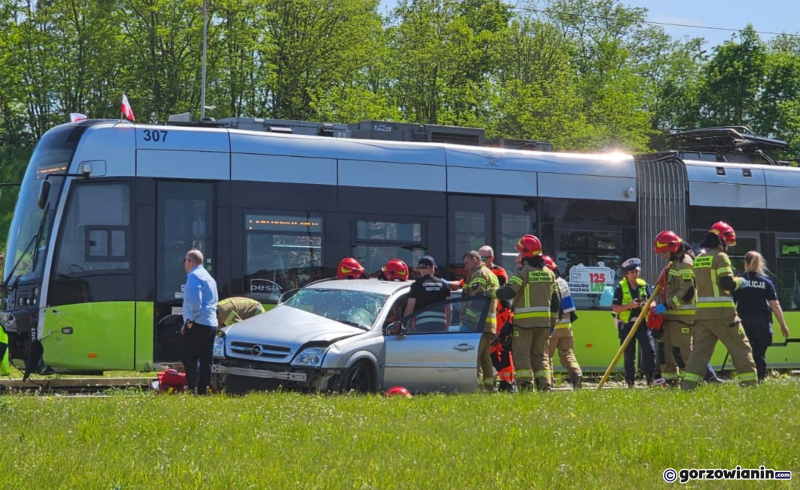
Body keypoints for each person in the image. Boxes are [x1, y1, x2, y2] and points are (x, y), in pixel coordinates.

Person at [681, 222, 758, 389]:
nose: (727, 247)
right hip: (723, 314)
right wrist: (741, 282)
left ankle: (687, 387)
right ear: (721, 240)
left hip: (702, 315)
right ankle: (750, 384)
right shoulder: (721, 257)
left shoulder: (699, 258)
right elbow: (727, 283)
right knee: (740, 346)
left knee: (699, 352)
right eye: (727, 243)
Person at [489, 235, 559, 391]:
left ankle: (525, 387)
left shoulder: (523, 272)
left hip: (524, 324)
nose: (518, 255)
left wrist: (491, 292)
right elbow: (556, 301)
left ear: (526, 254)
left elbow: (508, 292)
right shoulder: (549, 273)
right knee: (540, 356)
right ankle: (545, 386)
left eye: (520, 251)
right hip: (544, 324)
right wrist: (552, 322)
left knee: (522, 356)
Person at [733, 251, 791, 382]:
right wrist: (783, 325)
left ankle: (747, 380)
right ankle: (760, 379)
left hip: (744, 324)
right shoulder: (766, 282)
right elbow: (775, 305)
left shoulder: (739, 282)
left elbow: (732, 303)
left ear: (745, 264)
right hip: (762, 325)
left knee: (747, 354)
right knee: (759, 355)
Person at [652, 230, 696, 386]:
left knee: (681, 352)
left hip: (682, 318)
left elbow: (688, 291)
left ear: (672, 248)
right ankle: (670, 384)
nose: (663, 255)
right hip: (669, 317)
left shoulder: (685, 262)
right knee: (665, 352)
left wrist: (667, 304)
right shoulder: (674, 263)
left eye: (664, 252)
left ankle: (690, 385)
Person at [612, 258, 658, 387]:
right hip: (627, 324)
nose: (635, 274)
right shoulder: (620, 287)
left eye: (637, 271)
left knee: (649, 350)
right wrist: (630, 305)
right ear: (626, 273)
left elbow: (653, 302)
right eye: (632, 272)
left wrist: (646, 305)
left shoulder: (644, 285)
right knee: (629, 355)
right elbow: (615, 307)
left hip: (643, 323)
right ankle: (630, 382)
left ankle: (650, 380)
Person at [182, 249, 219, 395]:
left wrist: (189, 320)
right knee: (206, 359)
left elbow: (194, 301)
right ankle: (203, 390)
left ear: (189, 261)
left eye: (185, 261)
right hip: (211, 323)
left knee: (189, 358)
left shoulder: (193, 276)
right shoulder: (209, 277)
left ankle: (192, 389)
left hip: (198, 323)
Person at [542, 255, 583, 389]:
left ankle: (548, 384)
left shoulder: (545, 283)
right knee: (567, 353)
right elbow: (570, 308)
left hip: (552, 327)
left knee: (546, 357)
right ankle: (576, 374)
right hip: (566, 327)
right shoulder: (563, 282)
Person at [462, 250, 499, 391]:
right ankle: (489, 388)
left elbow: (478, 300)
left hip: (479, 323)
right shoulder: (491, 274)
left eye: (467, 263)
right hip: (489, 323)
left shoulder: (479, 274)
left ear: (475, 261)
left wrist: (469, 322)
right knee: (485, 357)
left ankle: (477, 388)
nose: (465, 267)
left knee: (474, 356)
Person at [480, 246, 514, 391]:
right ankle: (502, 378)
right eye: (479, 258)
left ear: (491, 258)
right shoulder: (478, 273)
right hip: (491, 319)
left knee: (504, 351)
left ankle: (509, 382)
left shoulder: (499, 272)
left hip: (502, 316)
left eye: (483, 258)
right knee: (492, 352)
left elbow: (500, 288)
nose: (481, 261)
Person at [403, 256, 451, 331]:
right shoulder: (443, 284)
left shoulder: (416, 285)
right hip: (440, 326)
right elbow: (449, 308)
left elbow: (410, 309)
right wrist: (447, 328)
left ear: (420, 269)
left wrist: (403, 327)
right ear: (432, 267)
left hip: (422, 327)